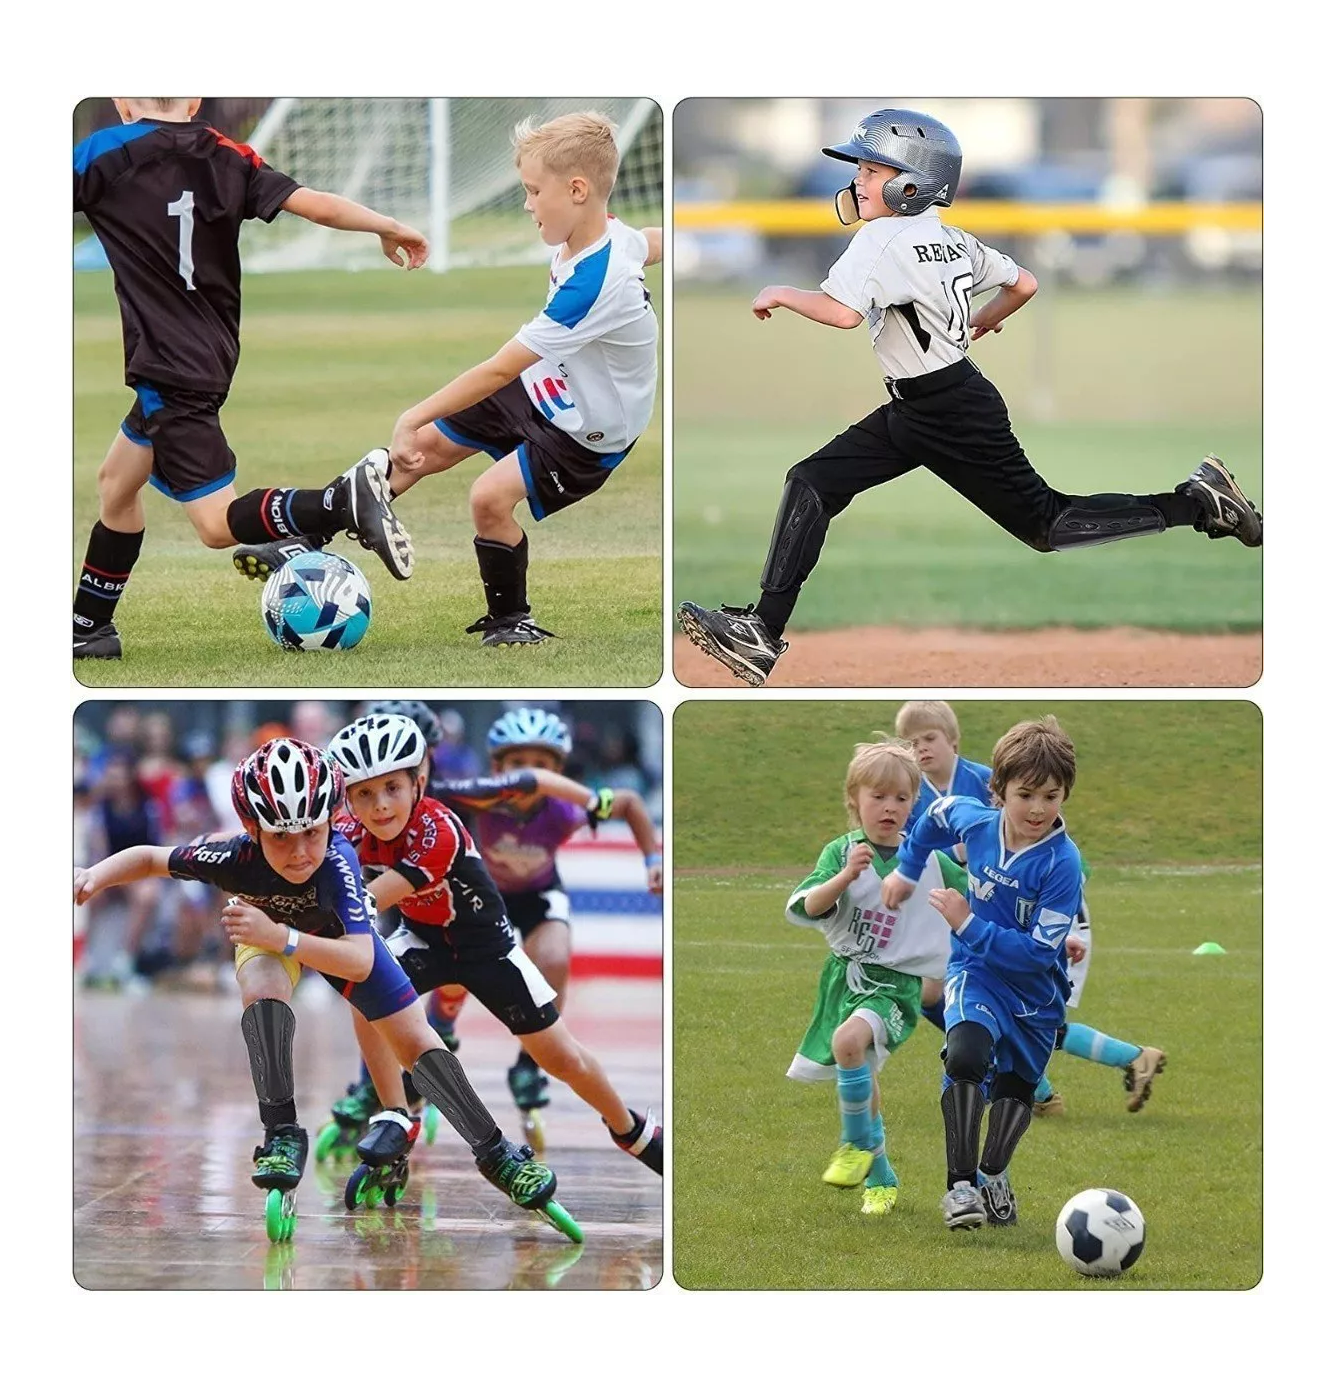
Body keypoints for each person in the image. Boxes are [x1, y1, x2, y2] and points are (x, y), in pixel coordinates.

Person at [676, 106, 1263, 687]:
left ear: (912, 183)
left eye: (872, 170)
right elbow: (1023, 283)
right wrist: (980, 321)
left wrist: (781, 290)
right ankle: (760, 632)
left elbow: (843, 314)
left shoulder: (880, 239)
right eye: (861, 168)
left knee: (1049, 524)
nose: (858, 178)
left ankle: (1198, 503)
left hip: (949, 412)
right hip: (927, 404)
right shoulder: (951, 236)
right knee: (813, 481)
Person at [71, 736, 567, 1228]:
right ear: (251, 829)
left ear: (330, 819)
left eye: (311, 831)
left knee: (421, 1046)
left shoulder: (337, 861)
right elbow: (151, 857)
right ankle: (282, 1132)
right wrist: (92, 874)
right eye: (280, 837)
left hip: (329, 941)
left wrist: (282, 934)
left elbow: (356, 960)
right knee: (262, 993)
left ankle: (496, 1152)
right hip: (270, 940)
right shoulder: (233, 856)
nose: (300, 851)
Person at [236, 111, 662, 646]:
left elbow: (500, 368)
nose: (527, 203)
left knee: (487, 498)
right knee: (426, 451)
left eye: (533, 191)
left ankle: (511, 622)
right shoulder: (610, 238)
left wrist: (412, 414)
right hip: (548, 383)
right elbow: (649, 242)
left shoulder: (597, 283)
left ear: (577, 190)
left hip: (588, 432)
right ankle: (306, 537)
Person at [72, 97, 423, 660]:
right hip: (208, 355)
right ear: (194, 101)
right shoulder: (227, 154)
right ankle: (90, 629)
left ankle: (339, 503)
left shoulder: (101, 154)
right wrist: (389, 225)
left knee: (215, 526)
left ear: (119, 101)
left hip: (167, 364)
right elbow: (318, 207)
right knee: (117, 483)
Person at [326, 712, 663, 1175]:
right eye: (363, 794)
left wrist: (595, 802)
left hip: (488, 948)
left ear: (420, 781)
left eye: (392, 789)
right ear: (346, 799)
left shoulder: (439, 824)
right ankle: (395, 1114)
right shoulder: (348, 830)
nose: (380, 806)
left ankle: (631, 1129)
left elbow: (364, 901)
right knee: (360, 981)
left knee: (562, 1056)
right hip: (424, 939)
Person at [894, 699, 1166, 1117]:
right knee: (945, 996)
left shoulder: (994, 781)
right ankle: (1027, 1081)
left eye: (928, 738)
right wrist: (908, 871)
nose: (921, 749)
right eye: (911, 743)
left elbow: (1052, 863)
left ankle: (1063, 1081)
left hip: (1036, 920)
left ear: (953, 740)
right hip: (989, 919)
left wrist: (1058, 935)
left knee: (1030, 1020)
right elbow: (928, 842)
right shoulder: (922, 798)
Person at [880, 714, 1084, 1231]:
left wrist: (967, 922)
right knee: (966, 1055)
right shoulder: (971, 818)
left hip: (1036, 995)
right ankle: (960, 1188)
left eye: (1052, 797)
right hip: (976, 974)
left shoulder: (1063, 864)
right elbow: (929, 822)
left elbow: (1040, 953)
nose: (1038, 809)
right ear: (1000, 790)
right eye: (1026, 795)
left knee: (1016, 1091)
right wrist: (906, 869)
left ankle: (994, 1175)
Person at [427, 707, 663, 1148]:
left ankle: (529, 1062)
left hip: (537, 895)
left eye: (541, 766)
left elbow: (629, 803)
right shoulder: (480, 798)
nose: (526, 776)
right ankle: (442, 1025)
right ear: (496, 768)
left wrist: (652, 858)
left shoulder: (565, 808)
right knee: (455, 970)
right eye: (517, 765)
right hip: (480, 896)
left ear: (558, 771)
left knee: (553, 958)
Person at [784, 738, 964, 1217]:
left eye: (902, 798)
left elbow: (980, 896)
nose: (890, 807)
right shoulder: (840, 852)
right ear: (854, 800)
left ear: (915, 805)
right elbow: (807, 906)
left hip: (894, 985)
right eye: (878, 796)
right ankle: (882, 1173)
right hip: (844, 980)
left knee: (848, 1042)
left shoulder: (929, 861)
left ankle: (854, 1145)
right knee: (862, 1070)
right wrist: (844, 877)